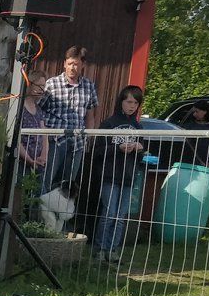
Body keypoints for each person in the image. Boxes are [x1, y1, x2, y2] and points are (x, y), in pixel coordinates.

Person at [90, 85, 147, 264]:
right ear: (121, 101)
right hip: (110, 176)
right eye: (129, 102)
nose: (132, 106)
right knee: (109, 213)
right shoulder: (109, 124)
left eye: (135, 103)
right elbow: (97, 150)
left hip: (129, 177)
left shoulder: (139, 127)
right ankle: (99, 250)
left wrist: (139, 149)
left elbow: (141, 156)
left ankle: (112, 250)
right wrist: (118, 148)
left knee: (120, 216)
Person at [42, 45, 100, 191]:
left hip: (77, 143)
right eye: (69, 64)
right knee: (45, 181)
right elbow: (39, 110)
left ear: (83, 65)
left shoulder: (89, 86)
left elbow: (90, 116)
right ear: (64, 64)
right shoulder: (51, 84)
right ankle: (38, 206)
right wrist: (43, 137)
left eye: (76, 64)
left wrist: (87, 137)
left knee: (67, 186)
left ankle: (60, 207)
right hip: (54, 141)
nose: (72, 68)